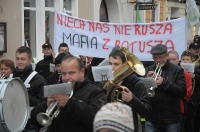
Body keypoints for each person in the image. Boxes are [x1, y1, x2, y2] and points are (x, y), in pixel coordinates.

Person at [31, 54, 107, 132]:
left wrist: (70, 104)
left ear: (82, 72)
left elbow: (98, 118)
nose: (67, 78)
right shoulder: (56, 89)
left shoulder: (95, 91)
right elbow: (35, 120)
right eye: (64, 73)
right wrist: (45, 106)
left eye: (71, 73)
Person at [107, 46, 151, 132]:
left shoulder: (137, 84)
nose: (112, 67)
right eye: (110, 64)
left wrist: (132, 99)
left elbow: (147, 112)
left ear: (125, 65)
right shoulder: (106, 81)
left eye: (116, 64)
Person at [145, 44, 186, 132]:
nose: (158, 60)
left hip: (171, 118)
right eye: (155, 58)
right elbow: (142, 93)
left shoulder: (177, 70)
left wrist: (164, 82)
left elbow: (182, 91)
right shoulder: (149, 69)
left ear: (167, 56)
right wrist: (146, 80)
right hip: (152, 117)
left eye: (161, 57)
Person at [13, 46, 46, 131]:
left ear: (30, 60)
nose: (19, 62)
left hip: (30, 124)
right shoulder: (10, 77)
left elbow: (42, 104)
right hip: (12, 121)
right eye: (17, 59)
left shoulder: (38, 79)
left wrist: (24, 96)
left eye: (23, 59)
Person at [168, 50, 192, 132]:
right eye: (169, 59)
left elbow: (188, 94)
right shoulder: (162, 72)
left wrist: (173, 91)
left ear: (178, 60)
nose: (171, 62)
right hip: (164, 109)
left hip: (178, 108)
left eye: (174, 59)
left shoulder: (185, 74)